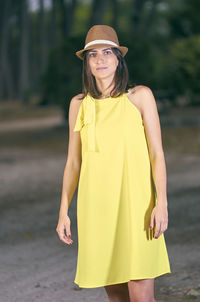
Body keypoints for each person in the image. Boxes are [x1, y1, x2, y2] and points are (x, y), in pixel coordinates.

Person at [56, 24, 171, 302]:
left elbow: (157, 153)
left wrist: (161, 202)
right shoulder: (78, 105)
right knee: (117, 296)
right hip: (97, 209)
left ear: (119, 59)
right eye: (93, 55)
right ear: (87, 64)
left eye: (108, 52)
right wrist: (63, 211)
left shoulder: (140, 97)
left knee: (141, 293)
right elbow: (73, 162)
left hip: (137, 206)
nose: (101, 60)